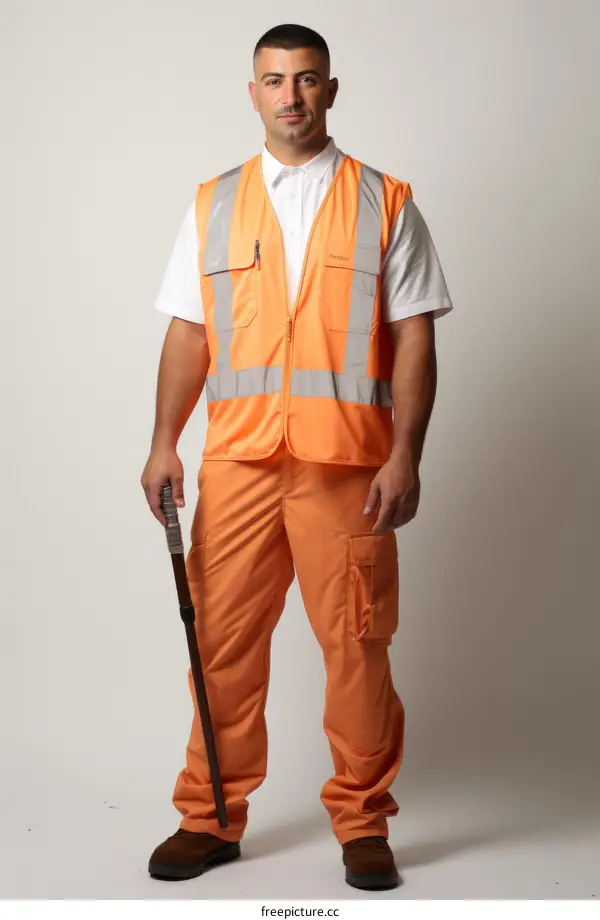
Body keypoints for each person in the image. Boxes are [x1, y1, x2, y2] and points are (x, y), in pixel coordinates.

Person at [141, 22, 453, 891]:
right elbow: (190, 333)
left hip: (348, 468)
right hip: (236, 464)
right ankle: (209, 816)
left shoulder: (384, 199)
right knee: (222, 642)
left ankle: (362, 822)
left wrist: (407, 456)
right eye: (274, 80)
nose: (291, 95)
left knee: (356, 644)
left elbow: (413, 337)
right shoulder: (213, 202)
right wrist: (164, 440)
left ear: (331, 89)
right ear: (253, 94)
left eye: (307, 79)